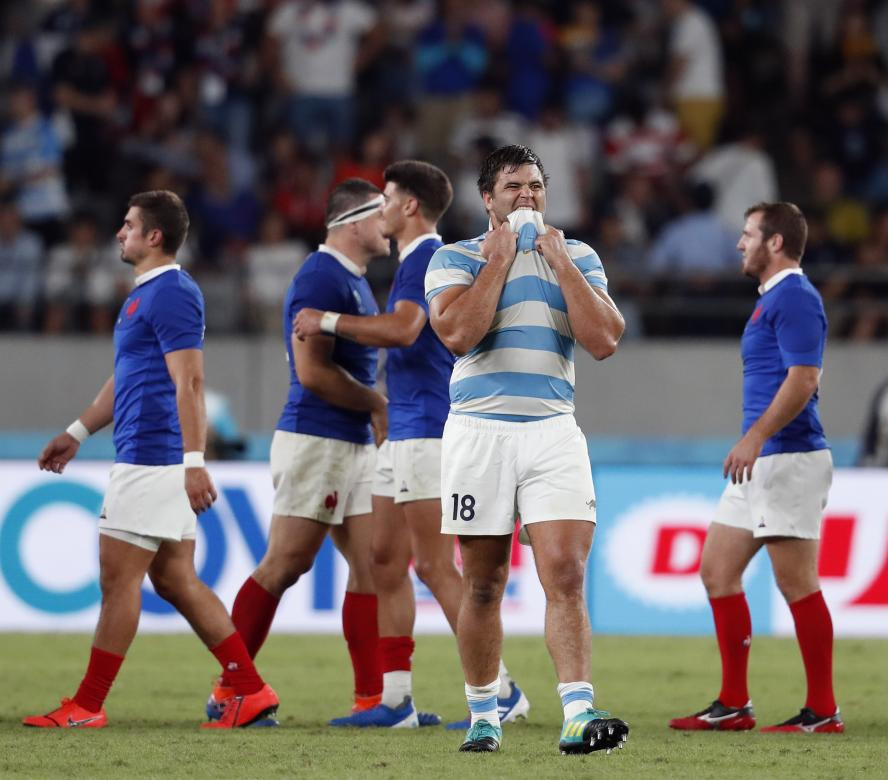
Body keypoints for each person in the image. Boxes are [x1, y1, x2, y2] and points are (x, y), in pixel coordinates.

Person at [25, 190, 278, 729]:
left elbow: (189, 379)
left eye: (128, 224)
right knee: (176, 581)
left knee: (119, 581)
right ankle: (251, 691)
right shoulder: (145, 295)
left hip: (153, 457)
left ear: (153, 236)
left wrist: (193, 460)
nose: (119, 233)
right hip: (154, 454)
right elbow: (128, 377)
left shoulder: (172, 293)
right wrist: (78, 431)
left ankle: (88, 705)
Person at [293, 160, 528, 728]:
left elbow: (403, 330)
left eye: (387, 198)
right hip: (404, 428)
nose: (380, 208)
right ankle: (396, 699)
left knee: (431, 563)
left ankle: (501, 690)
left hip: (429, 428)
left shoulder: (425, 257)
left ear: (410, 207)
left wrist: (326, 322)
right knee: (383, 559)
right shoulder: (414, 260)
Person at [423, 144, 627, 754]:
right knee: (483, 584)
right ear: (487, 199)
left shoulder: (579, 256)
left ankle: (577, 715)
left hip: (552, 429)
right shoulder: (453, 257)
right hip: (479, 432)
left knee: (565, 572)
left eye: (535, 186)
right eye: (512, 188)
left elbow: (605, 340)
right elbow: (458, 335)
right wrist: (501, 261)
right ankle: (484, 713)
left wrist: (561, 265)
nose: (527, 198)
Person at [211, 179, 389, 725]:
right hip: (319, 438)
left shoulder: (352, 280)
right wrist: (376, 403)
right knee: (285, 563)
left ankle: (372, 702)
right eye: (380, 216)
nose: (388, 226)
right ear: (353, 222)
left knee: (369, 567)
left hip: (348, 440)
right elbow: (312, 374)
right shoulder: (321, 275)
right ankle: (230, 691)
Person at [669, 202, 840, 735]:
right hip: (765, 461)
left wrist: (756, 436)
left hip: (788, 458)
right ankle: (734, 703)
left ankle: (822, 711)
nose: (739, 244)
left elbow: (805, 377)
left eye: (748, 235)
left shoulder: (795, 297)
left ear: (776, 243)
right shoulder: (774, 299)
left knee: (797, 584)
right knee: (717, 572)